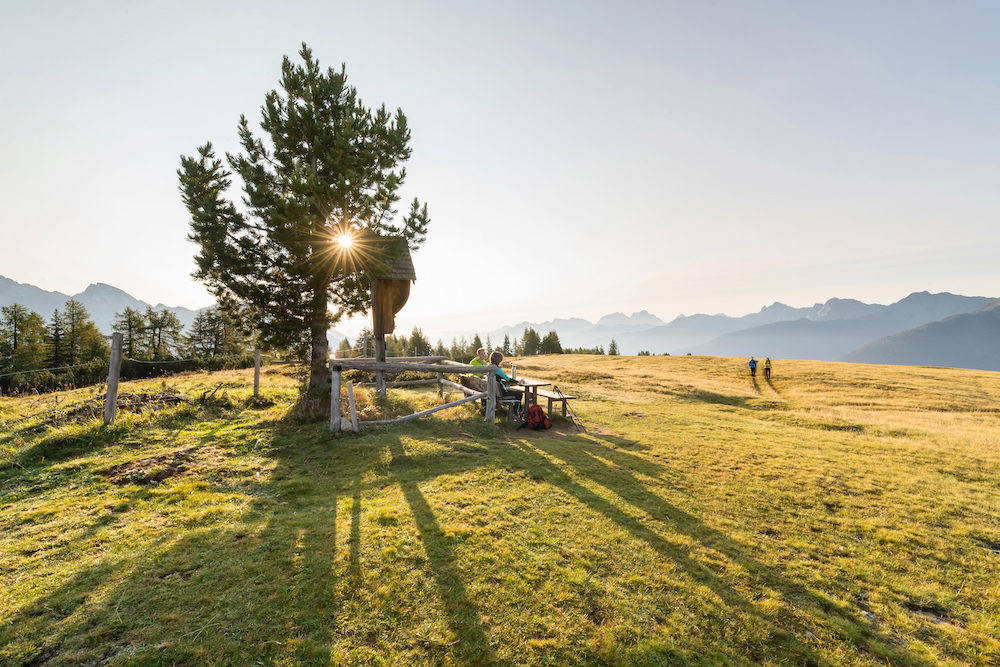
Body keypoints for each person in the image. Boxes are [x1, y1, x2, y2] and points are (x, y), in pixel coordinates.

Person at [489, 350, 523, 416]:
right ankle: (515, 413)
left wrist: (504, 387)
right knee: (519, 394)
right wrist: (518, 382)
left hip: (495, 392)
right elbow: (508, 379)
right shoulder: (497, 369)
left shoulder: (489, 368)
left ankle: (519, 412)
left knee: (514, 392)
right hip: (501, 394)